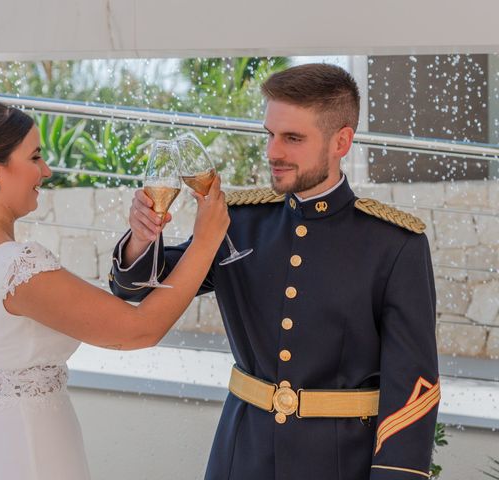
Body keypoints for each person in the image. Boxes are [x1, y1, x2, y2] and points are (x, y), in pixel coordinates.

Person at [0, 102, 230, 480]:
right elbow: (138, 329)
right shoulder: (15, 268)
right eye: (35, 156)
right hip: (25, 456)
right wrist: (205, 241)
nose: (47, 170)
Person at [110, 63, 440, 479]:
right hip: (240, 457)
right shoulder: (240, 222)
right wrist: (143, 238)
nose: (273, 152)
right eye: (270, 134)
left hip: (341, 464)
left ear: (342, 141)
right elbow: (140, 288)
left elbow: (414, 390)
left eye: (293, 138)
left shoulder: (396, 245)